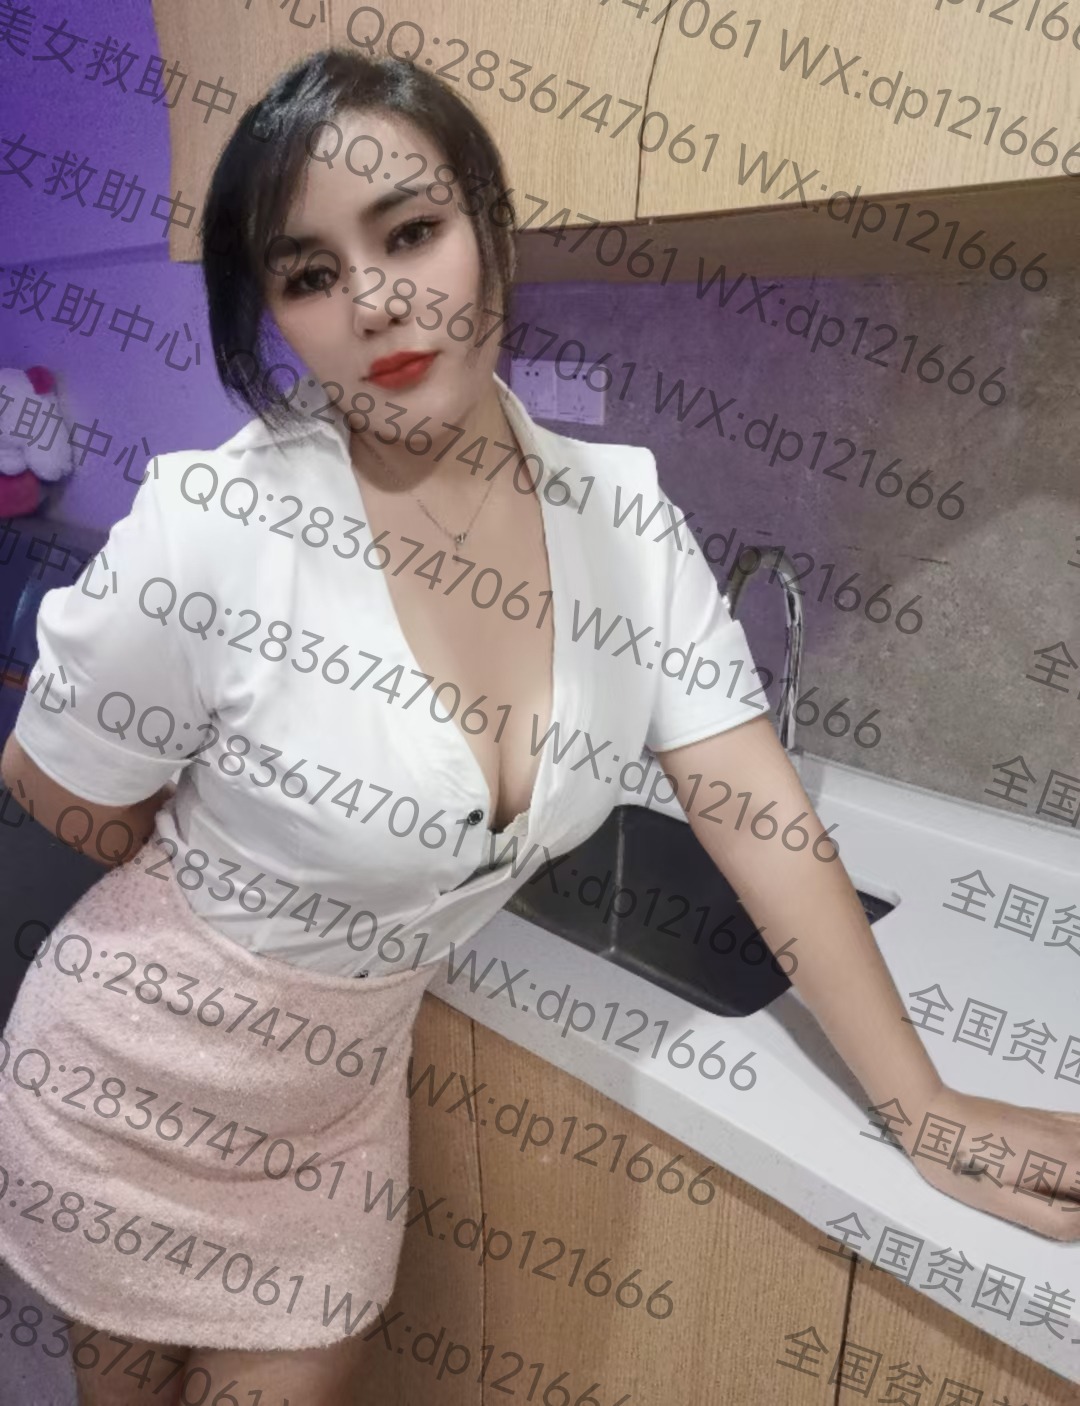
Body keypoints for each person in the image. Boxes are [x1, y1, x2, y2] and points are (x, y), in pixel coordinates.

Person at [1, 47, 1077, 1406]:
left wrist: (926, 1107)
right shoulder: (214, 526)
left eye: (410, 232)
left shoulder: (624, 516)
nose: (376, 298)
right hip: (120, 1090)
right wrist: (248, 864)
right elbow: (59, 791)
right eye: (311, 273)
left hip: (332, 1118)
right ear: (274, 315)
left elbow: (756, 812)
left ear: (491, 232)